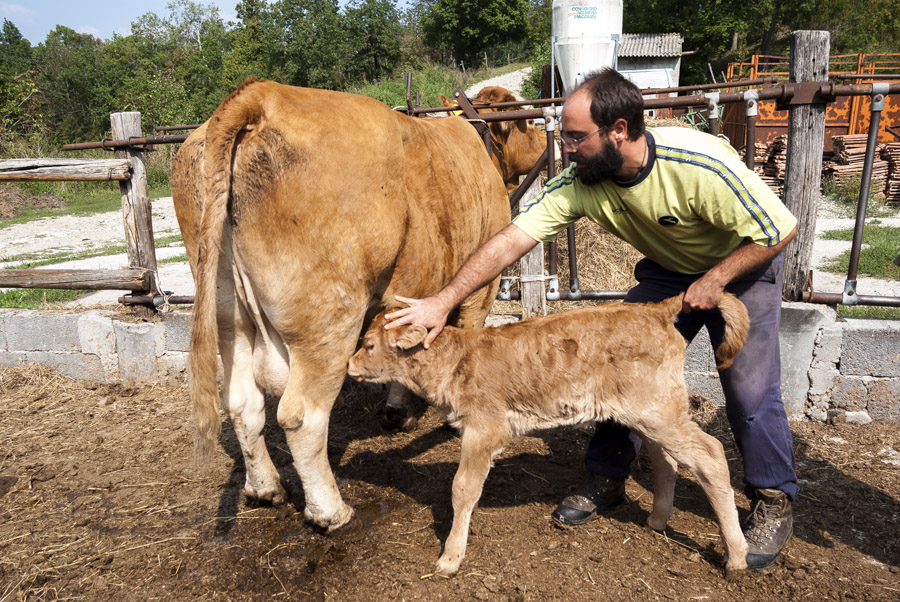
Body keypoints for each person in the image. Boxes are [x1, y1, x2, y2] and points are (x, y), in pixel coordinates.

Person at [384, 68, 798, 571]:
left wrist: (716, 280)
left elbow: (779, 228)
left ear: (618, 131)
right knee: (611, 365)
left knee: (749, 391)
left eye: (576, 137)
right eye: (564, 135)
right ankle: (607, 477)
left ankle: (772, 500)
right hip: (671, 271)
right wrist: (444, 301)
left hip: (743, 260)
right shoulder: (582, 181)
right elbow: (512, 240)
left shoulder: (697, 163)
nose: (566, 147)